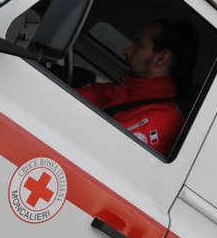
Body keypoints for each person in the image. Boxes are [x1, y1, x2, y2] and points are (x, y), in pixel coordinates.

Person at [77, 20, 195, 155]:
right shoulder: (120, 91)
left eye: (139, 44)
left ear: (162, 58)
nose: (126, 51)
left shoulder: (163, 121)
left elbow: (103, 153)